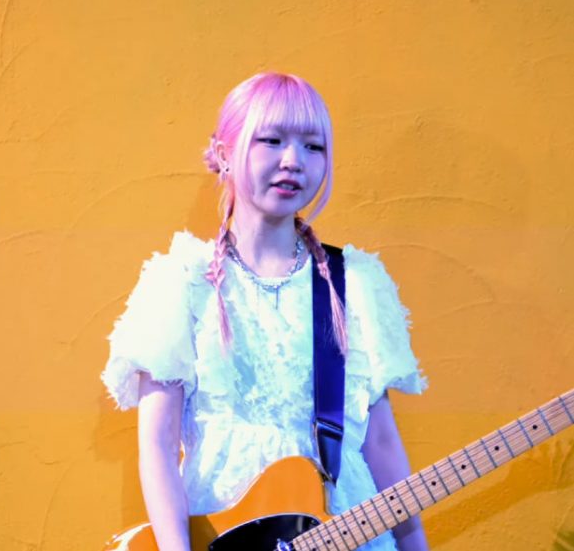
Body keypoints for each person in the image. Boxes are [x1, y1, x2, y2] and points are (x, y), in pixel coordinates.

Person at [101, 72, 429, 551]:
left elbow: (380, 443)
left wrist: (415, 546)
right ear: (224, 154)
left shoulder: (353, 283)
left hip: (348, 534)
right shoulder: (183, 281)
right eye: (272, 140)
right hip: (227, 537)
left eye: (313, 146)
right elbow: (157, 444)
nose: (293, 161)